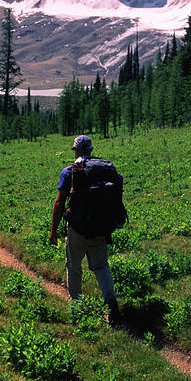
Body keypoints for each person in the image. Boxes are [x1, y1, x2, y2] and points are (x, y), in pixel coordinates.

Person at [49, 135, 123, 326]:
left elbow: (59, 202)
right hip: (100, 229)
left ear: (75, 150)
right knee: (101, 267)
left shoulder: (69, 172)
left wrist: (53, 230)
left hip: (76, 229)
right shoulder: (104, 170)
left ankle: (77, 306)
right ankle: (111, 305)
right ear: (90, 149)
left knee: (74, 267)